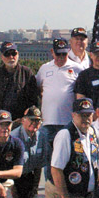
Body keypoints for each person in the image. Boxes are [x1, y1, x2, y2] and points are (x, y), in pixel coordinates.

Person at [35, 38, 81, 179]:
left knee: (69, 159)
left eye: (64, 54)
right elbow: (37, 88)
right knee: (49, 161)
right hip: (48, 124)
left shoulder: (77, 68)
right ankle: (51, 189)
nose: (61, 57)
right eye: (58, 54)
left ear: (69, 52)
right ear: (52, 52)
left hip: (68, 123)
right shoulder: (44, 68)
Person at [0, 41, 39, 120]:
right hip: (1, 122)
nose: (11, 57)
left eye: (14, 54)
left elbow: (33, 100)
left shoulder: (27, 73)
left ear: (18, 54)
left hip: (22, 121)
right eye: (7, 54)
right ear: (2, 57)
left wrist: (26, 118)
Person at [11, 106, 45, 198]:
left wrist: (35, 188)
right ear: (23, 120)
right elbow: (8, 167)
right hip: (13, 181)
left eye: (37, 121)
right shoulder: (14, 137)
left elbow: (39, 165)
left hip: (29, 179)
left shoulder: (41, 137)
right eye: (31, 120)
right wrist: (13, 193)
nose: (34, 123)